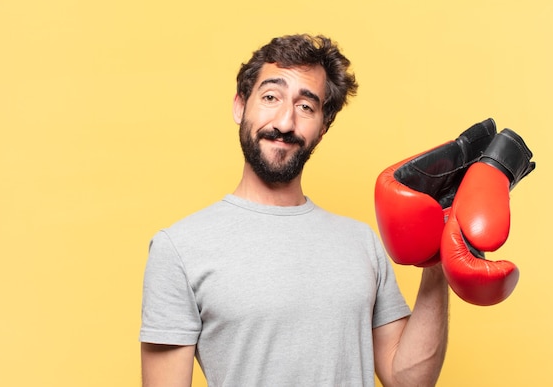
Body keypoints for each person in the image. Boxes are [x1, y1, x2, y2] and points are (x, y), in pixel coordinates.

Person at [140, 34, 449, 387]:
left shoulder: (361, 242)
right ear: (240, 106)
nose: (285, 123)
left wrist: (435, 260)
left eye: (306, 106)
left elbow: (409, 380)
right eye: (271, 97)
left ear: (323, 127)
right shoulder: (179, 248)